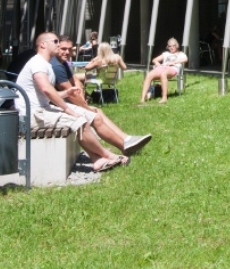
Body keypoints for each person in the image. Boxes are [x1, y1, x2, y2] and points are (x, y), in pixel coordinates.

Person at [17, 32, 150, 172]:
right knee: (81, 122)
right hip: (33, 114)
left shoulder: (46, 64)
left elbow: (48, 93)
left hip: (43, 109)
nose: (59, 45)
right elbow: (46, 89)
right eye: (55, 41)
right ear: (43, 44)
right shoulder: (37, 63)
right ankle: (108, 155)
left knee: (91, 116)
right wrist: (67, 109)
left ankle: (97, 159)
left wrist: (66, 93)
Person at [140, 38, 187, 104]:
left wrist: (173, 62)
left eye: (173, 45)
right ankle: (143, 98)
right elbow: (154, 60)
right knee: (149, 75)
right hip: (162, 67)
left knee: (163, 74)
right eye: (169, 46)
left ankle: (164, 97)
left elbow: (185, 59)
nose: (172, 47)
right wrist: (158, 64)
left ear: (177, 45)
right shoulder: (166, 54)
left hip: (173, 68)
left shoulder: (181, 54)